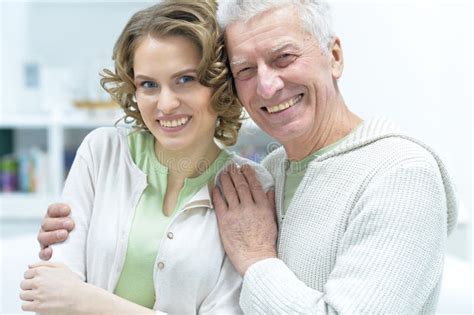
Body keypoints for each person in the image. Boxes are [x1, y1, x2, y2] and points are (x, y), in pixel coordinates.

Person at [36, 0, 458, 314]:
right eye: (246, 70)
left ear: (334, 56)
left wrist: (256, 257)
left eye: (284, 57)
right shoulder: (270, 174)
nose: (269, 86)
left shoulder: (401, 174)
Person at [19, 1, 273, 314]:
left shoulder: (248, 187)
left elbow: (67, 297)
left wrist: (84, 300)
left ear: (219, 82)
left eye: (185, 79)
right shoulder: (101, 153)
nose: (165, 104)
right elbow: (51, 296)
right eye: (149, 85)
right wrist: (67, 296)